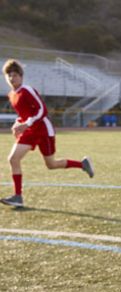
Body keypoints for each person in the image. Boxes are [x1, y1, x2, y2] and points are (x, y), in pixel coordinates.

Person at [2, 59, 94, 208]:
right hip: (30, 130)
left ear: (21, 76)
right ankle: (18, 196)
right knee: (13, 159)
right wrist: (18, 123)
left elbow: (42, 110)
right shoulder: (12, 94)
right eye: (9, 76)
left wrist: (27, 123)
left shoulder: (27, 90)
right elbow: (24, 113)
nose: (12, 78)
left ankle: (82, 164)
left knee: (51, 164)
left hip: (43, 129)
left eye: (15, 75)